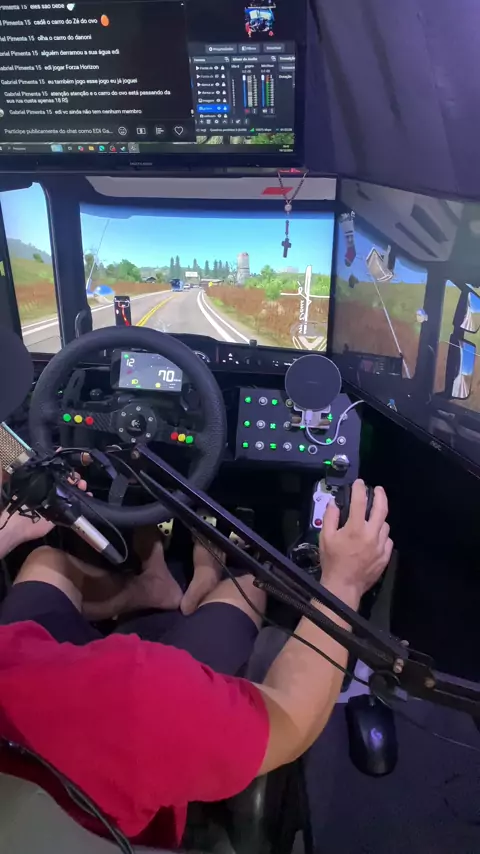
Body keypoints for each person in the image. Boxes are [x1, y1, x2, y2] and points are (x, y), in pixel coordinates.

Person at [0, 326, 394, 849]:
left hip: (24, 664)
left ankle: (152, 587)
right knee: (248, 582)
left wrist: (6, 534)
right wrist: (344, 581)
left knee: (47, 559)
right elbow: (292, 718)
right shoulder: (135, 697)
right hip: (87, 734)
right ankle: (213, 577)